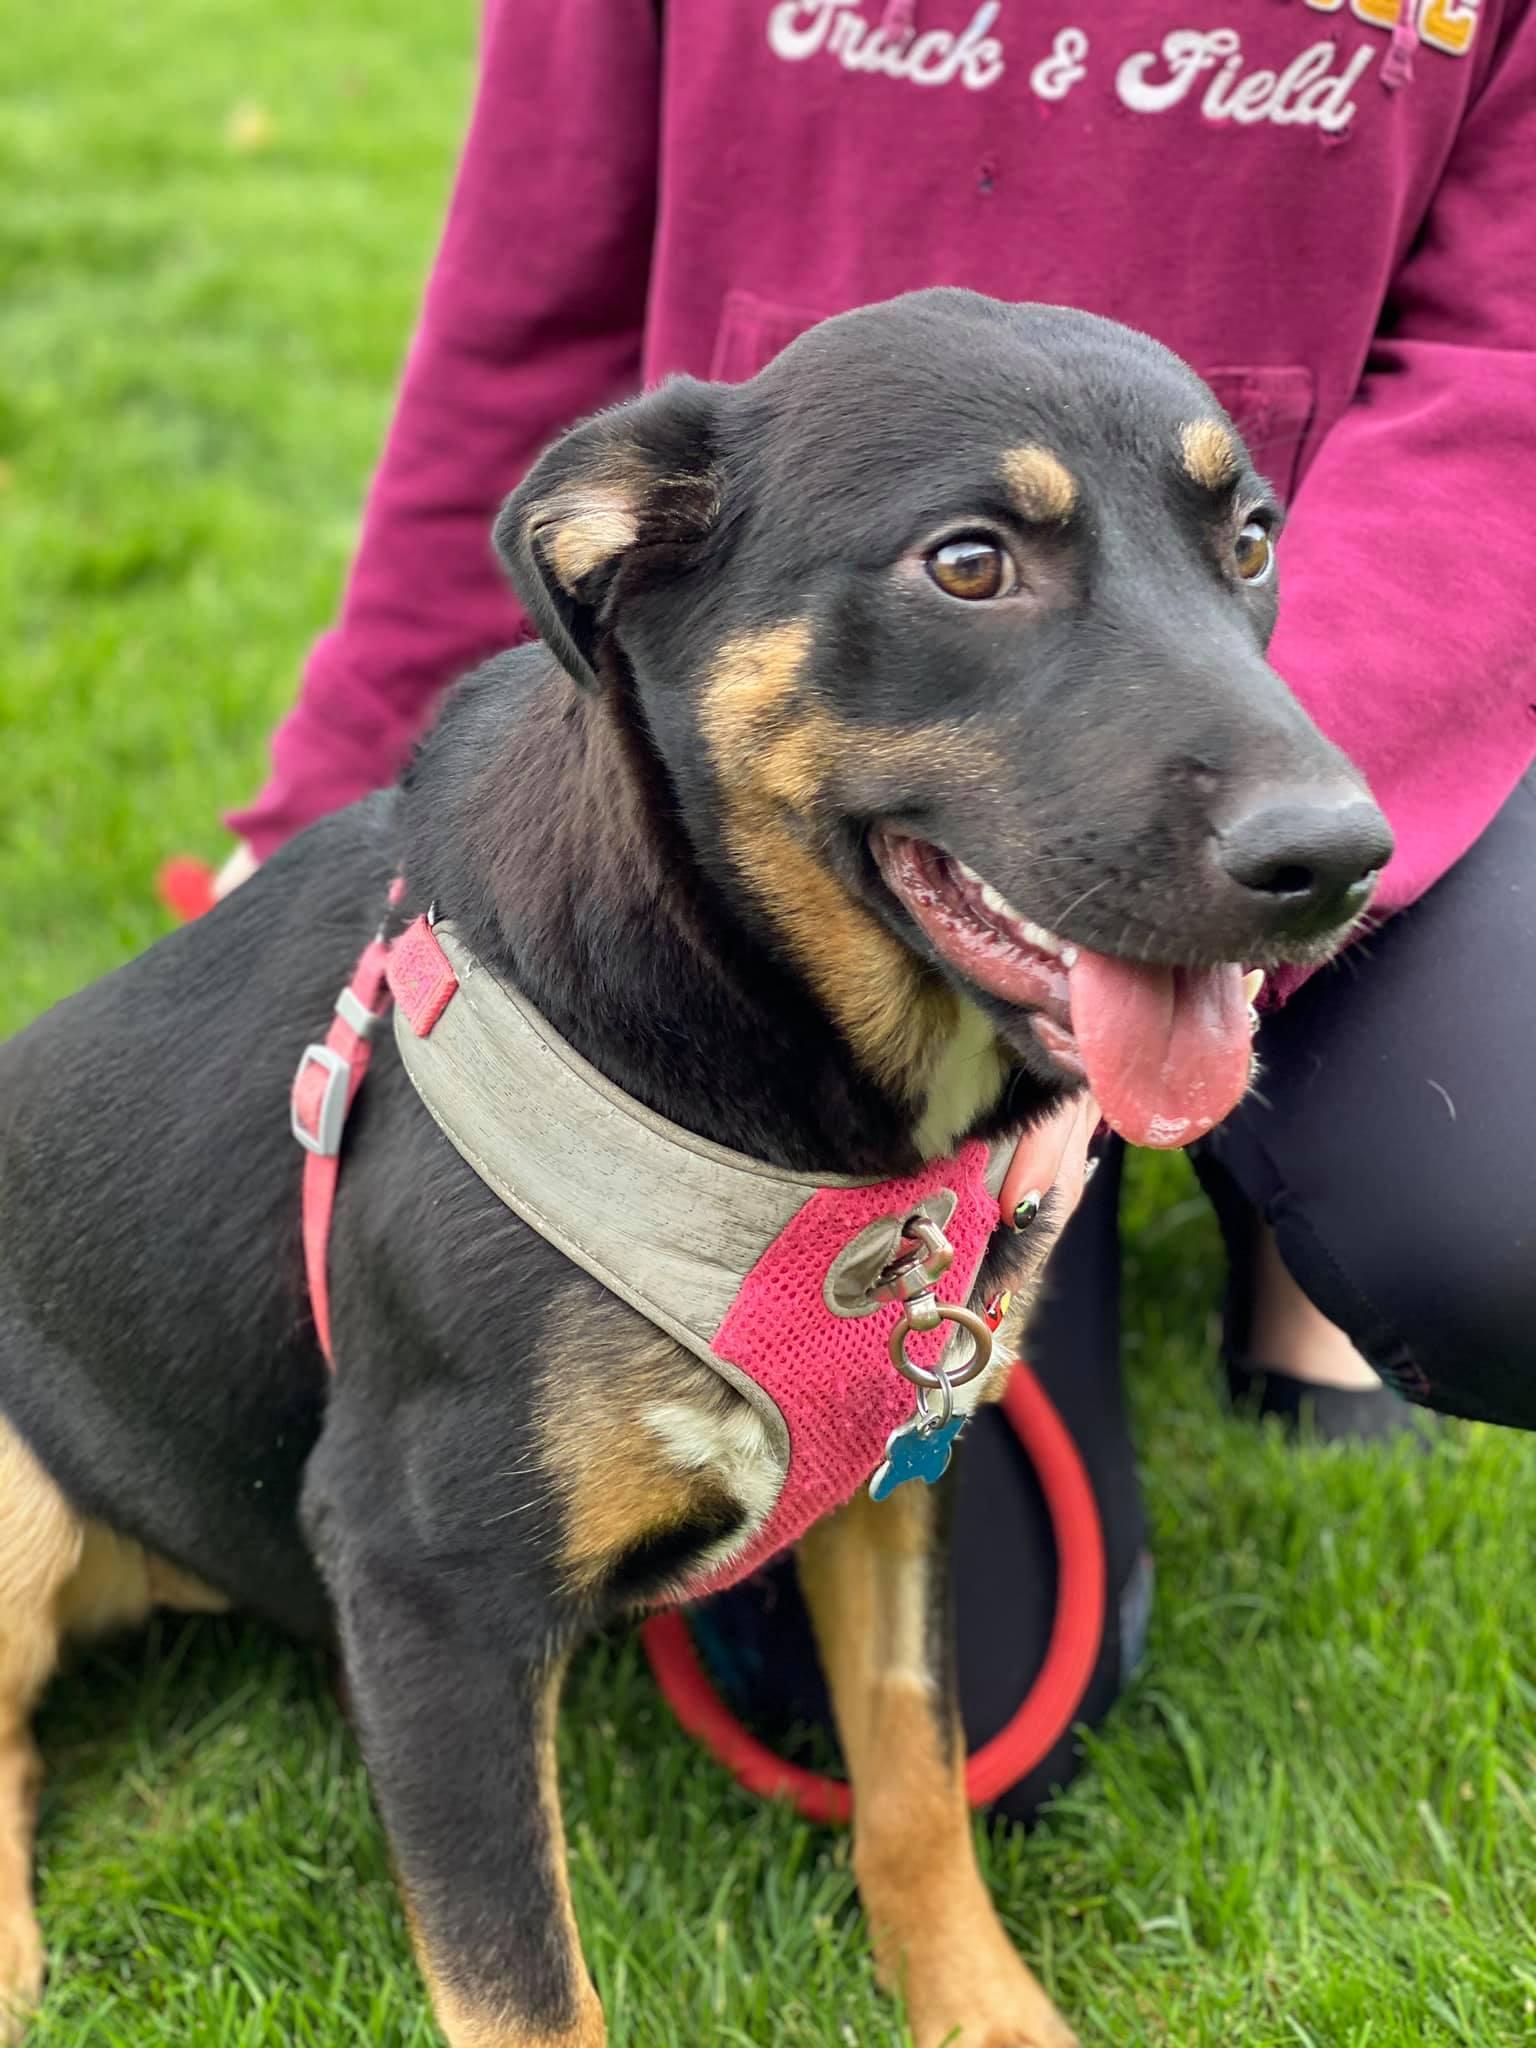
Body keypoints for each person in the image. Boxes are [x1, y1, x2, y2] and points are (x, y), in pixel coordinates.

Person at [214, 0, 1536, 1819]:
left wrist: (1279, 768)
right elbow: (526, 311)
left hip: (1301, 671)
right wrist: (324, 816)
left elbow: (1508, 360)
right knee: (962, 1707)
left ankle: (1284, 1199)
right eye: (983, 554)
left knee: (1505, 1213)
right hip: (839, 636)